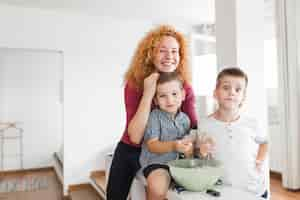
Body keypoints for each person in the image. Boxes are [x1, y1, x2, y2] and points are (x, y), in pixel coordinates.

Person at [106, 25, 198, 200]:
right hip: (131, 150)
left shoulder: (184, 87)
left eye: (174, 51)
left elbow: (192, 126)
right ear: (150, 54)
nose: (169, 56)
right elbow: (135, 137)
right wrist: (148, 93)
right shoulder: (134, 84)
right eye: (162, 51)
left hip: (165, 154)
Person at [198, 67, 269, 199]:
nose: (232, 92)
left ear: (243, 97)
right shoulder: (205, 124)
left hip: (254, 189)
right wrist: (202, 152)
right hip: (223, 190)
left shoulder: (252, 123)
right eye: (226, 88)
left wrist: (259, 161)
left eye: (238, 89)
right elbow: (201, 157)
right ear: (215, 93)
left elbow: (264, 142)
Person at [139, 72, 193, 200]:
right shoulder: (155, 116)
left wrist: (188, 151)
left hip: (179, 164)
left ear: (183, 95)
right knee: (157, 186)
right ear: (156, 100)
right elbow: (152, 145)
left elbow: (187, 147)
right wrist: (174, 145)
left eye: (174, 94)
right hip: (157, 163)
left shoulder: (185, 119)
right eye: (163, 96)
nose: (170, 100)